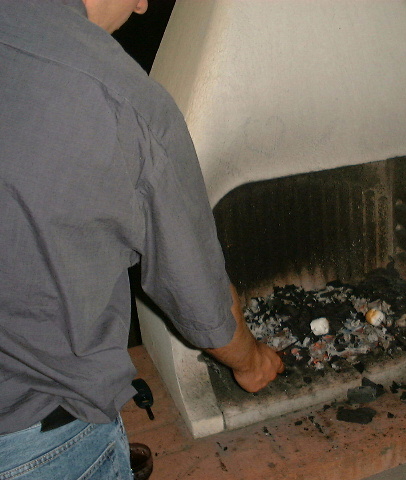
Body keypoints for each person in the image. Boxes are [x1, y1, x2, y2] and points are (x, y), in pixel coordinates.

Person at [0, 0, 284, 478]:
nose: (144, 5)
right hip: (37, 440)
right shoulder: (121, 96)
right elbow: (198, 295)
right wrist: (252, 360)